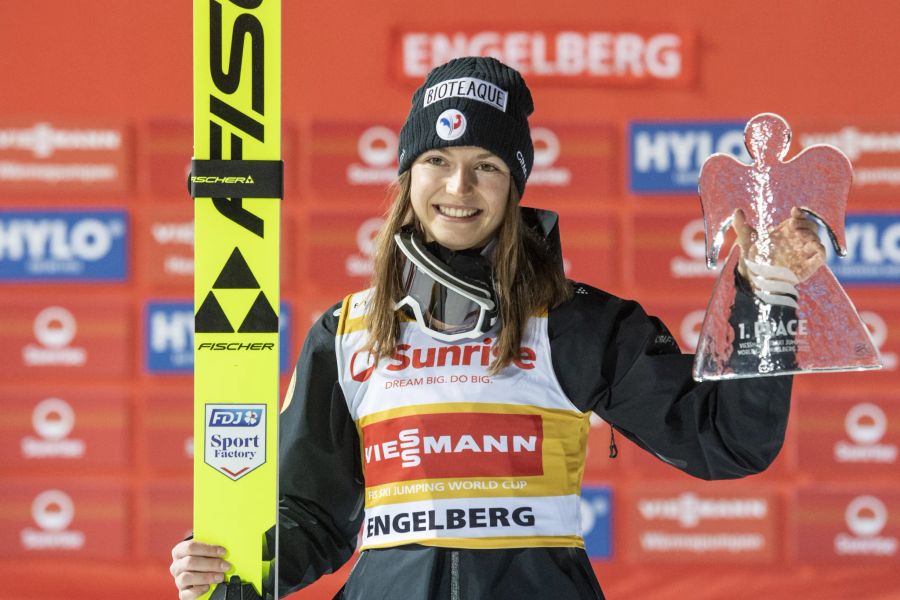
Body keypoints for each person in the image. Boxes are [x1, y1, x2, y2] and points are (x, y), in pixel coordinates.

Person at [170, 56, 826, 600]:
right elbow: (312, 517)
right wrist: (235, 577)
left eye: (486, 164)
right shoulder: (347, 333)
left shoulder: (574, 324)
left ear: (514, 185)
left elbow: (727, 440)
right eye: (436, 160)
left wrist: (767, 295)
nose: (459, 186)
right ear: (407, 175)